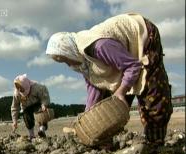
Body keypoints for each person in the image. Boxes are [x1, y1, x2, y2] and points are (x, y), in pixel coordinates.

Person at [46, 12, 173, 145]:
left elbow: (133, 66)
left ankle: (155, 143)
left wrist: (121, 91)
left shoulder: (99, 46)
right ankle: (106, 143)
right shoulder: (83, 62)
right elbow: (95, 88)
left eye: (65, 59)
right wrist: (85, 118)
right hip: (122, 56)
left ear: (68, 50)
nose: (68, 64)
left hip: (143, 36)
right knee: (109, 99)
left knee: (152, 92)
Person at [11, 74, 50, 139]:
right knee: (26, 116)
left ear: (26, 86)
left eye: (21, 88)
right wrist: (14, 121)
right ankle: (31, 135)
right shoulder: (17, 94)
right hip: (26, 107)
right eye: (18, 88)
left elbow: (44, 96)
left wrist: (44, 104)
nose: (19, 89)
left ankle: (42, 130)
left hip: (37, 104)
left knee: (41, 113)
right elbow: (15, 107)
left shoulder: (37, 87)